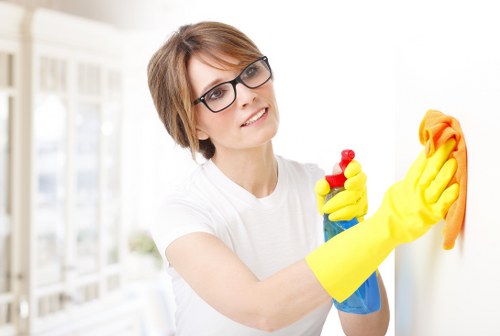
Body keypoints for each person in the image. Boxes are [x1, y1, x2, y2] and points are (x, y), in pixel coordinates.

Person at [147, 21, 459, 336]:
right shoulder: (183, 214)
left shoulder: (316, 186)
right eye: (217, 93)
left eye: (250, 72)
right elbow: (263, 310)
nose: (247, 95)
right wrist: (385, 227)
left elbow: (368, 331)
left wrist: (345, 230)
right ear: (193, 125)